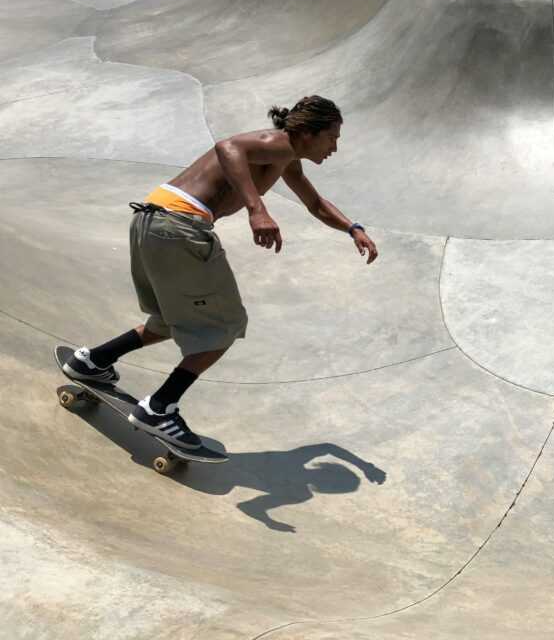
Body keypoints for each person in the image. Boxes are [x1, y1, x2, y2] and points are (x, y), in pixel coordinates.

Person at [60, 95, 378, 450]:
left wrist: (353, 228)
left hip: (151, 219)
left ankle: (93, 361)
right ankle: (159, 408)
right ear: (307, 132)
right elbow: (228, 146)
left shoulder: (285, 158)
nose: (335, 147)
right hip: (180, 227)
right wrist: (256, 209)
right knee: (226, 325)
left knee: (171, 318)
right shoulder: (276, 143)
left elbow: (315, 204)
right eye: (332, 137)